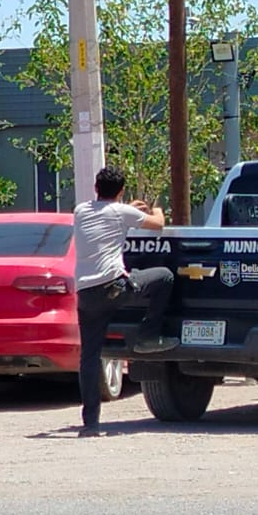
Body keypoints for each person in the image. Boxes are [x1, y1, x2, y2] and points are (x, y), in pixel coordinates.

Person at [73, 165, 176, 437]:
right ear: (120, 191)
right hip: (114, 287)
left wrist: (127, 208)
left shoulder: (80, 211)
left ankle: (90, 423)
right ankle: (148, 335)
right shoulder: (122, 212)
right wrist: (155, 209)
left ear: (96, 188)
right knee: (164, 277)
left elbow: (107, 215)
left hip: (85, 294)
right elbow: (158, 225)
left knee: (89, 357)